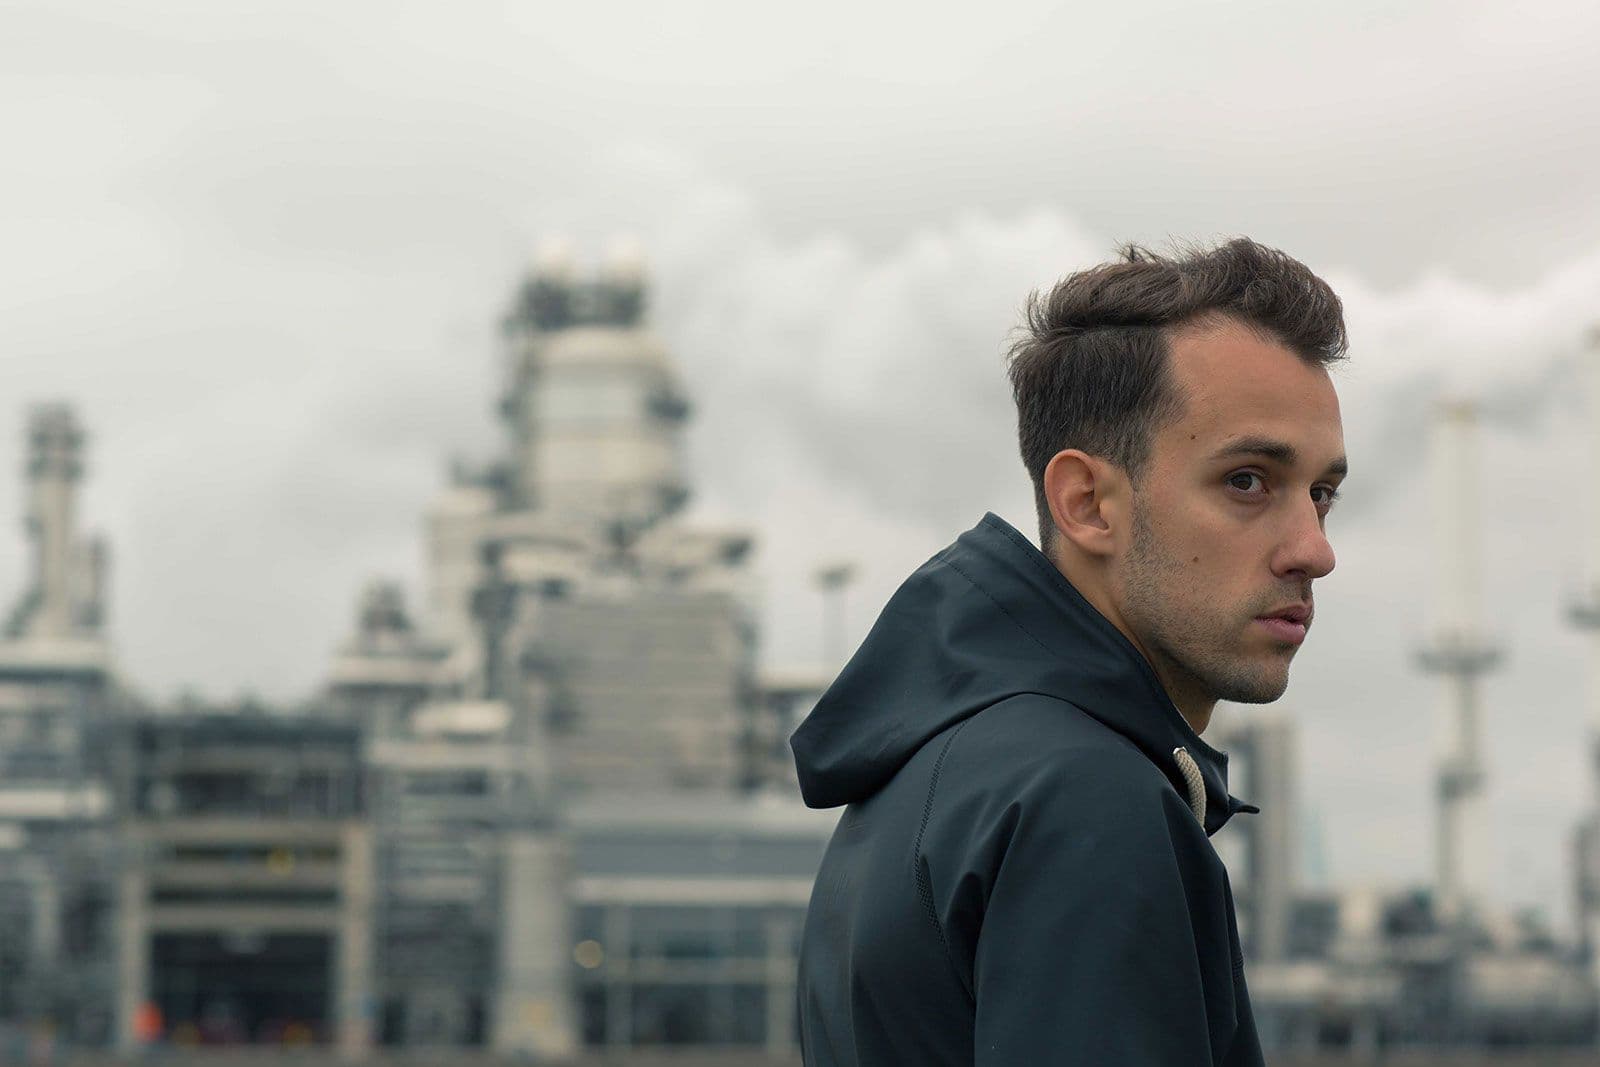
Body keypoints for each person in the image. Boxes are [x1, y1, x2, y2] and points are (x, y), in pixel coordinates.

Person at [790, 237, 1349, 1065]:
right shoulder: (1086, 801)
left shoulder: (935, 777)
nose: (1314, 548)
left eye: (1323, 493)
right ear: (1088, 503)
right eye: (1248, 481)